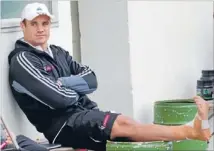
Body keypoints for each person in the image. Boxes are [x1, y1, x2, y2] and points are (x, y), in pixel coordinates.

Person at [8, 2, 212, 151]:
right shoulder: (23, 60)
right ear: (23, 26)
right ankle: (190, 131)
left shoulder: (58, 52)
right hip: (63, 125)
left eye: (44, 23)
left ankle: (191, 131)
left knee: (131, 132)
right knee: (124, 124)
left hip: (82, 113)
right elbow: (61, 99)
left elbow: (91, 79)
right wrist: (74, 89)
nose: (40, 29)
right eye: (34, 24)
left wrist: (61, 83)